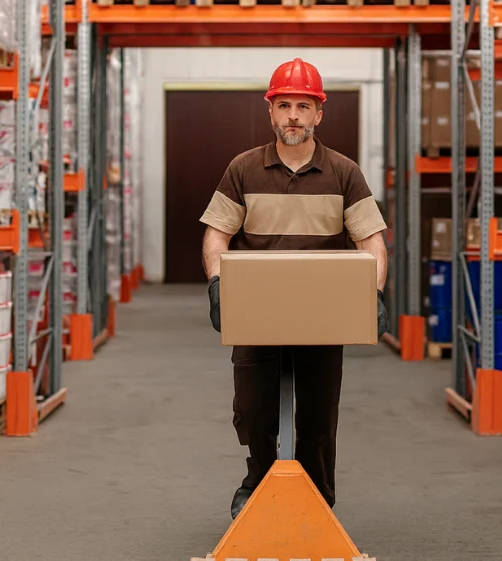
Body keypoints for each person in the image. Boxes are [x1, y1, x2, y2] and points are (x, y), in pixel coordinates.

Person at [198, 57, 389, 520]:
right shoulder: (243, 169)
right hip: (257, 312)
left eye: (303, 106)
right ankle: (259, 481)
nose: (293, 117)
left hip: (322, 316)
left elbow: (372, 241)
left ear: (319, 113)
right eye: (284, 105)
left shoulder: (344, 173)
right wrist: (218, 283)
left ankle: (318, 498)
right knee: (253, 411)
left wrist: (373, 293)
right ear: (270, 111)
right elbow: (217, 235)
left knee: (318, 418)